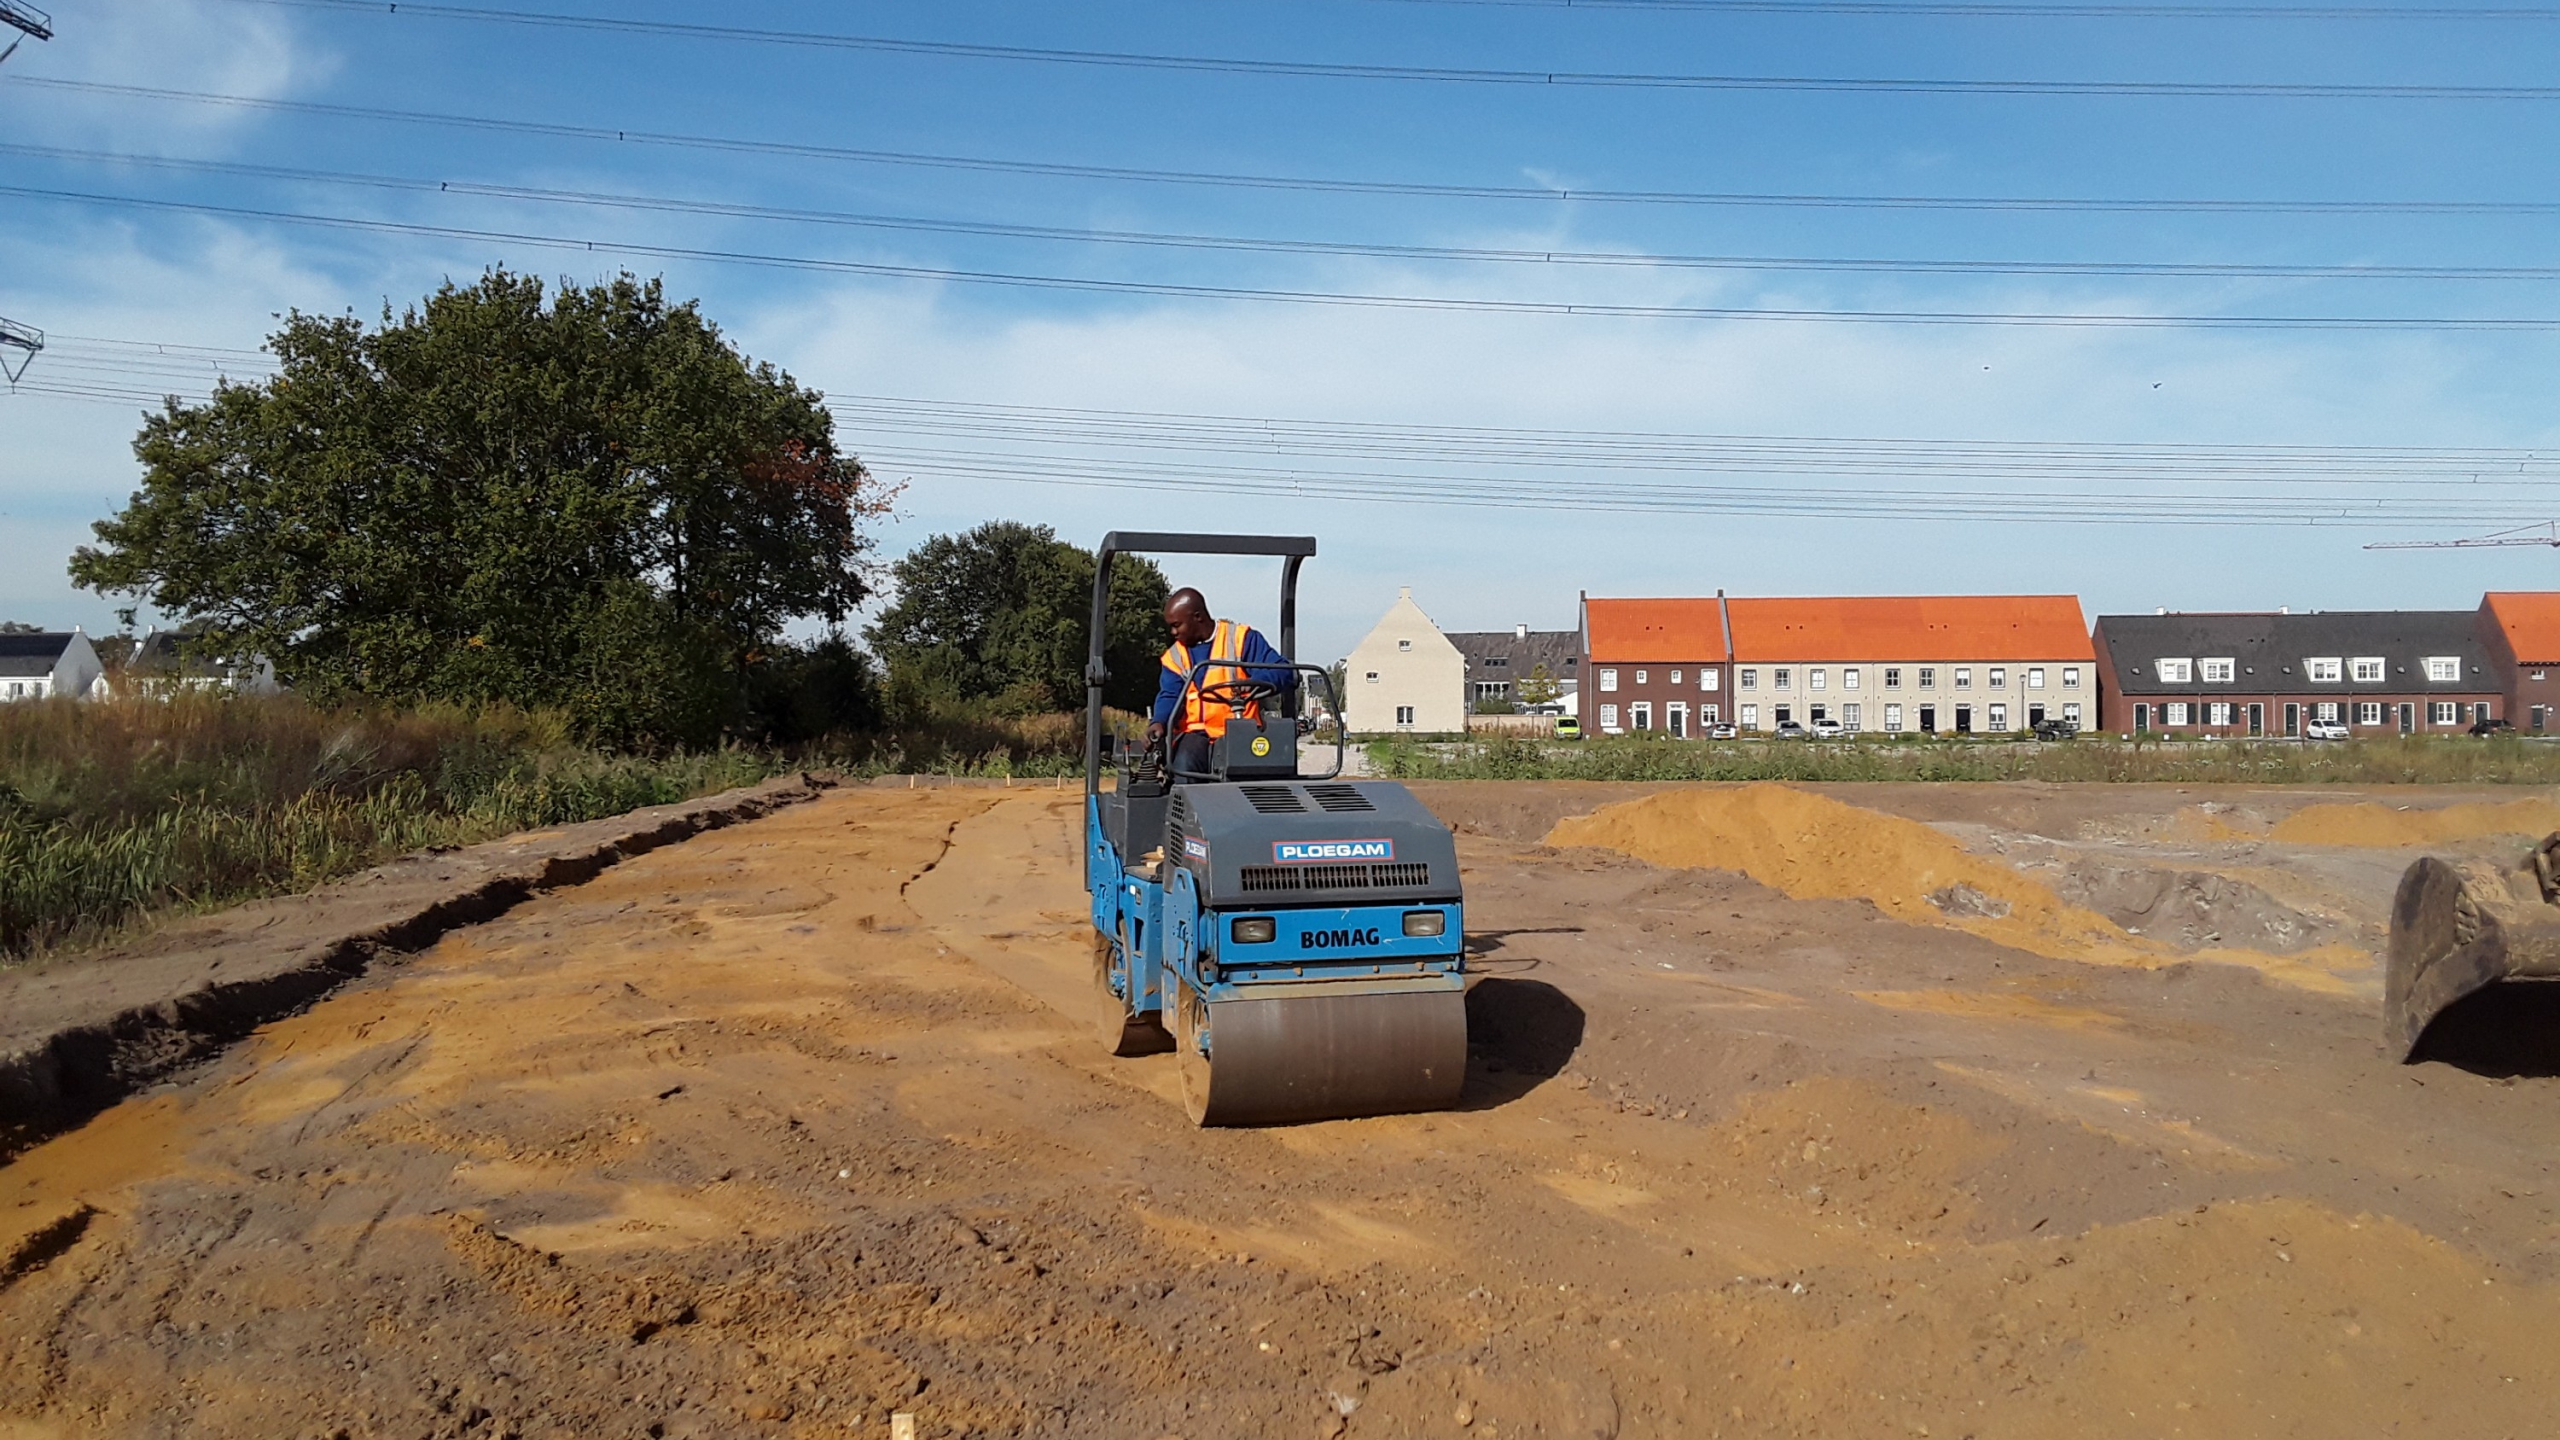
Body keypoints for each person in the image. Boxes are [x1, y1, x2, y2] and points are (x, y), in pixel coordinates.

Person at [1148, 587, 1293, 780]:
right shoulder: (1175, 657)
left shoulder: (1242, 639)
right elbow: (1170, 695)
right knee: (1183, 763)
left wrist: (1255, 682)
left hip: (1242, 731)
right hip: (1196, 735)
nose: (1173, 632)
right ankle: (1188, 808)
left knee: (1257, 766)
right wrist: (1159, 721)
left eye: (1177, 625)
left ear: (1197, 617)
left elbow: (1283, 671)